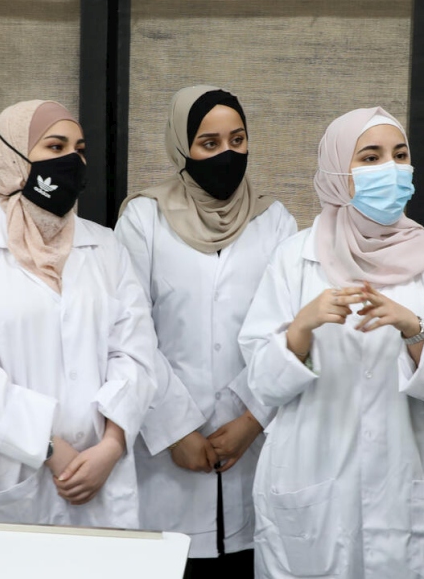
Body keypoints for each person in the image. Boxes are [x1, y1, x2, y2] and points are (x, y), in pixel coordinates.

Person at [239, 107, 424, 578]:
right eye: (370, 158)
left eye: (400, 155)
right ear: (336, 173)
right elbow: (260, 384)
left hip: (405, 488)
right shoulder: (295, 258)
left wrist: (415, 331)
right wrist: (300, 330)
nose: (390, 169)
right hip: (312, 484)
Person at [0, 100, 158, 544]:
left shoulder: (106, 248)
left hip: (101, 469)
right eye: (55, 146)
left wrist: (110, 447)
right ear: (12, 158)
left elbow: (135, 352)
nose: (72, 160)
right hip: (6, 474)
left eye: (79, 148)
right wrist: (51, 447)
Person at [115, 86, 297, 577]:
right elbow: (129, 334)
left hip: (253, 444)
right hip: (167, 456)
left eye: (237, 140)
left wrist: (250, 421)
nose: (227, 155)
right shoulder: (143, 219)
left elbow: (291, 333)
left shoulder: (275, 221)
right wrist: (176, 431)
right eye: (209, 143)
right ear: (183, 148)